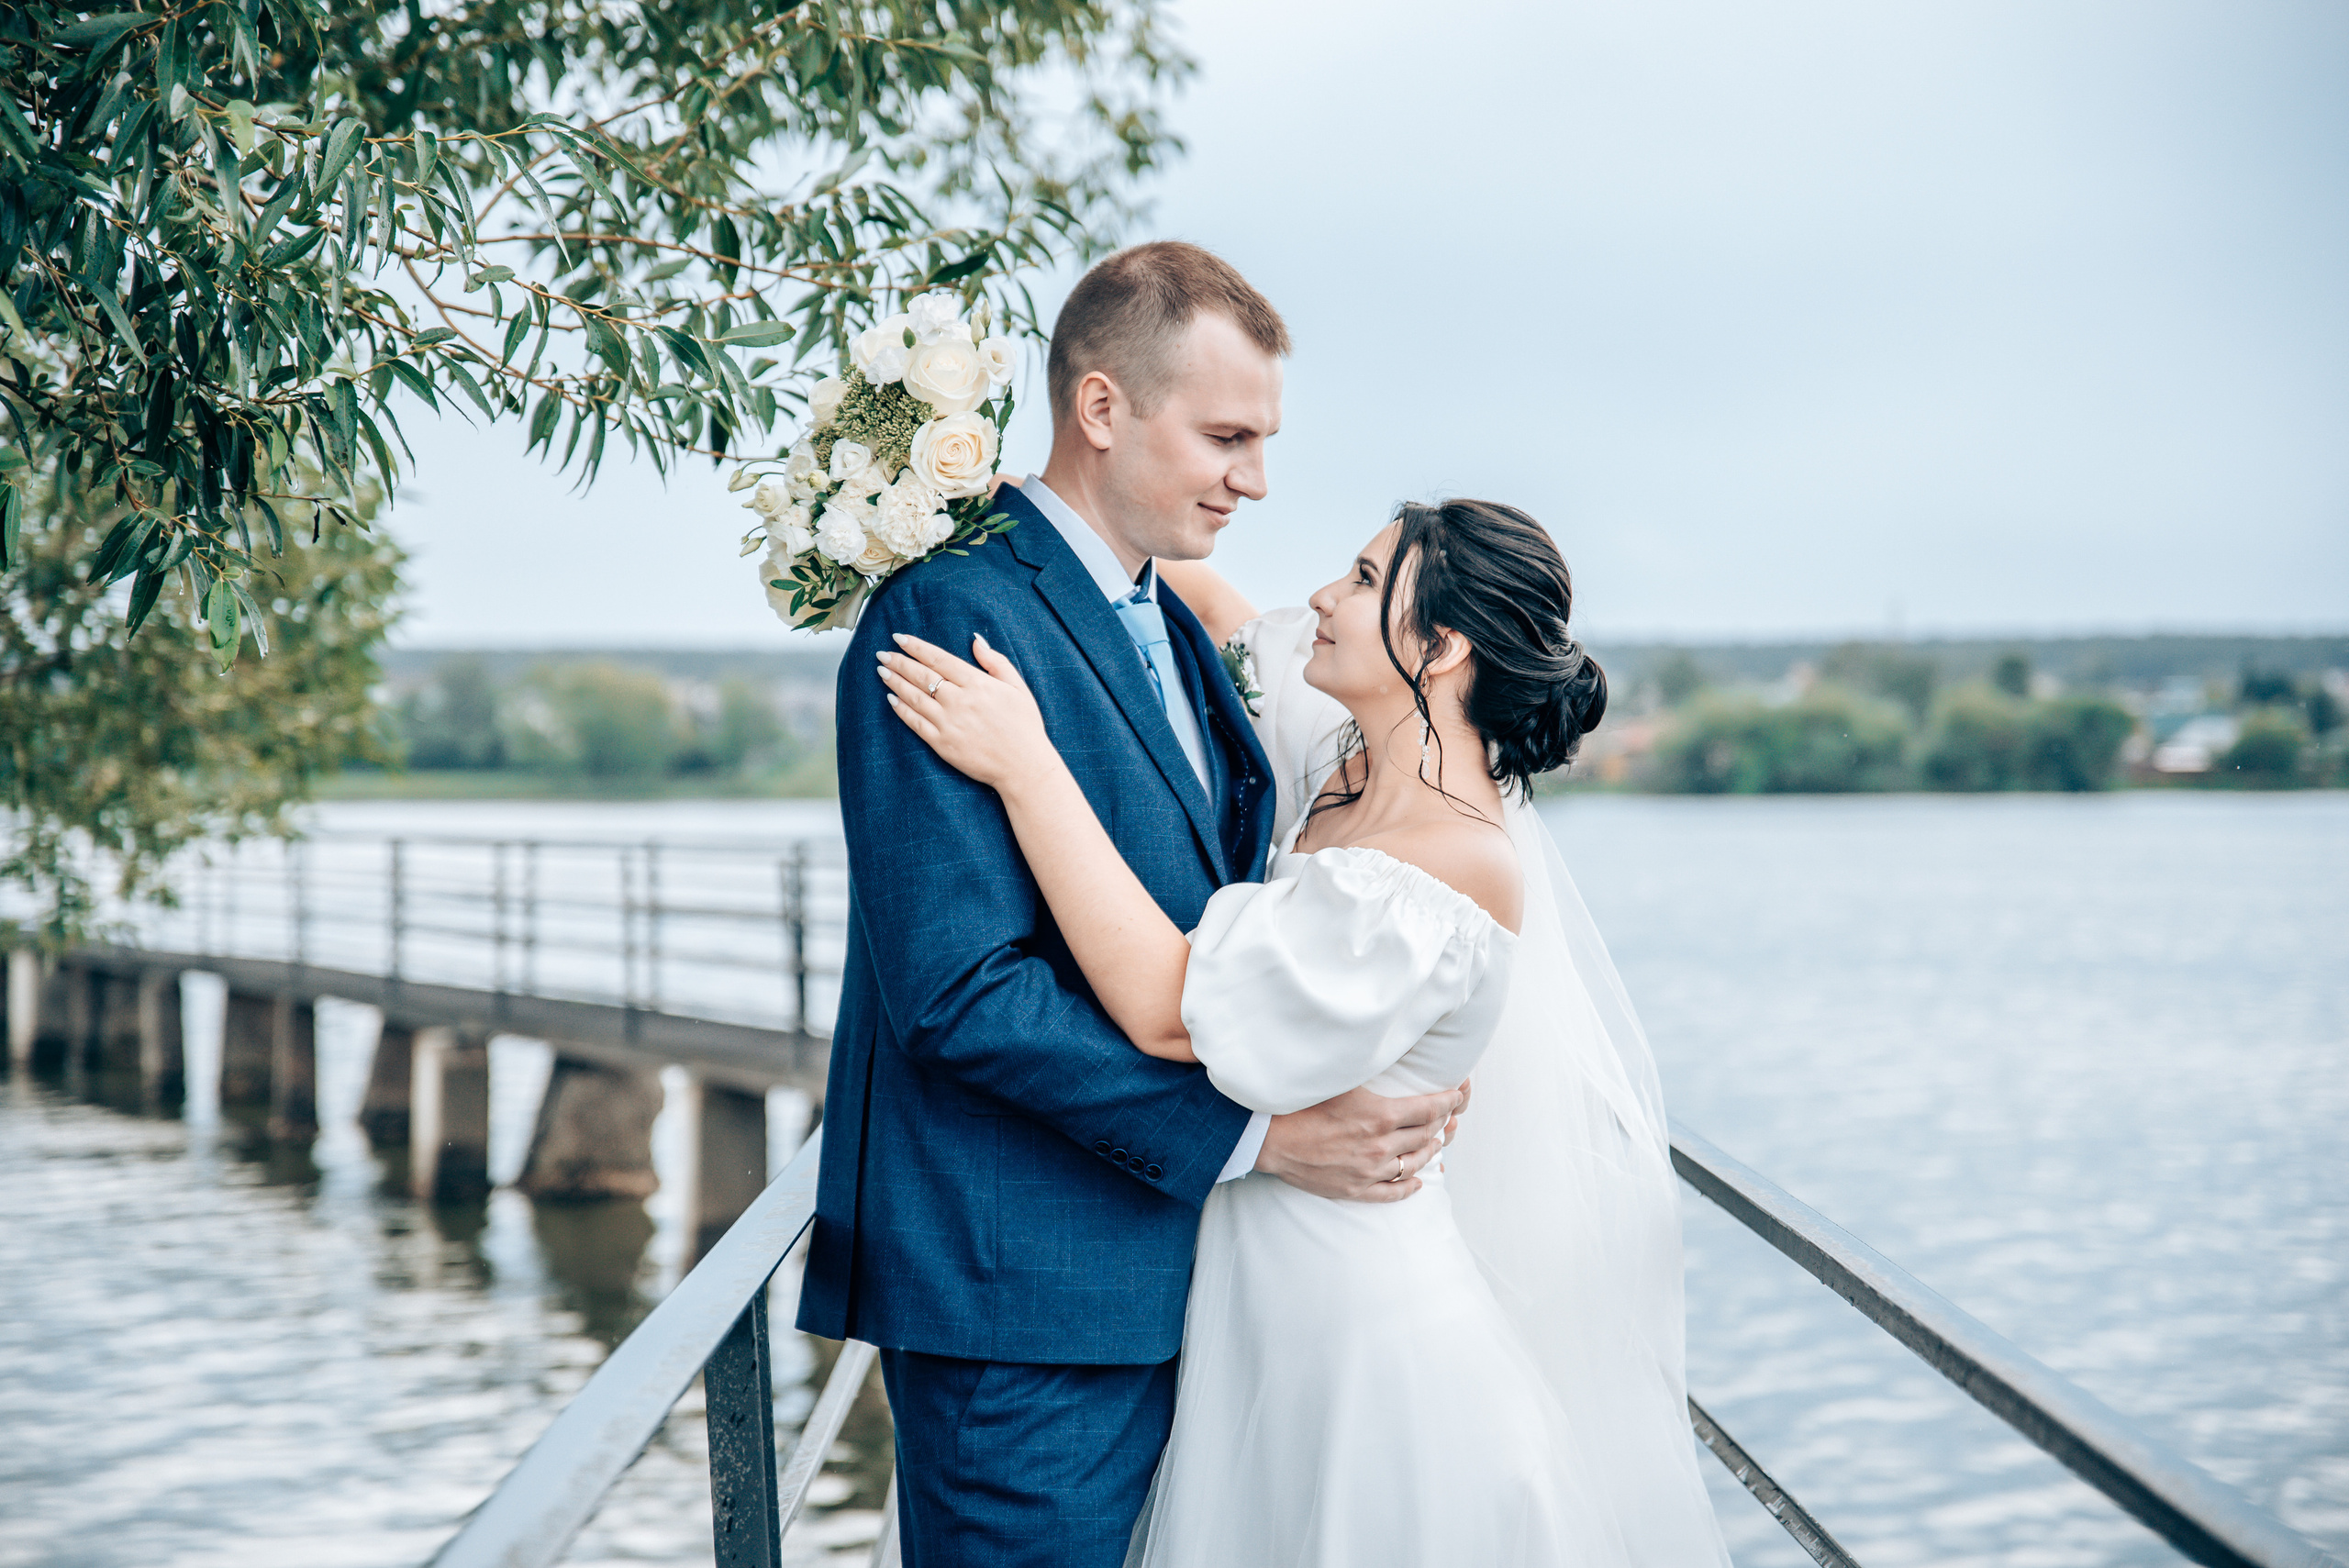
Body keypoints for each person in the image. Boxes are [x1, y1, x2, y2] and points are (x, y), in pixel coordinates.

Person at [876, 497, 1733, 1565]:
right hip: (1257, 1302)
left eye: (1366, 581)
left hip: (1355, 1331)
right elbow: (1207, 599)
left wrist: (1024, 761)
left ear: (1441, 644)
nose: (1323, 596)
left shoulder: (1451, 858)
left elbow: (1161, 1001)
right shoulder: (1342, 748)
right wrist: (928, 474)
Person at [796, 241, 1470, 1567]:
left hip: (1185, 1294)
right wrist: (1256, 1142)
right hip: (1025, 1313)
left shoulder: (1160, 611)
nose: (1255, 479)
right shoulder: (946, 615)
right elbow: (959, 993)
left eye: (1265, 440)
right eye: (1226, 435)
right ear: (1101, 409)